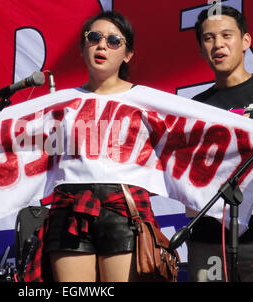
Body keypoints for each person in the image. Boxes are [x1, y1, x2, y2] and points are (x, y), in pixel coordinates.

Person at [23, 11, 162, 282]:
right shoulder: (60, 104)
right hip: (69, 208)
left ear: (128, 54)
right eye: (95, 37)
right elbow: (11, 143)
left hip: (122, 209)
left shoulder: (146, 102)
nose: (102, 46)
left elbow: (197, 138)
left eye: (113, 41)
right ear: (83, 46)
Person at [186, 5, 253, 282]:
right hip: (207, 242)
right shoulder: (194, 108)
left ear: (246, 41)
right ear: (200, 49)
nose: (218, 44)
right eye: (208, 38)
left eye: (226, 35)